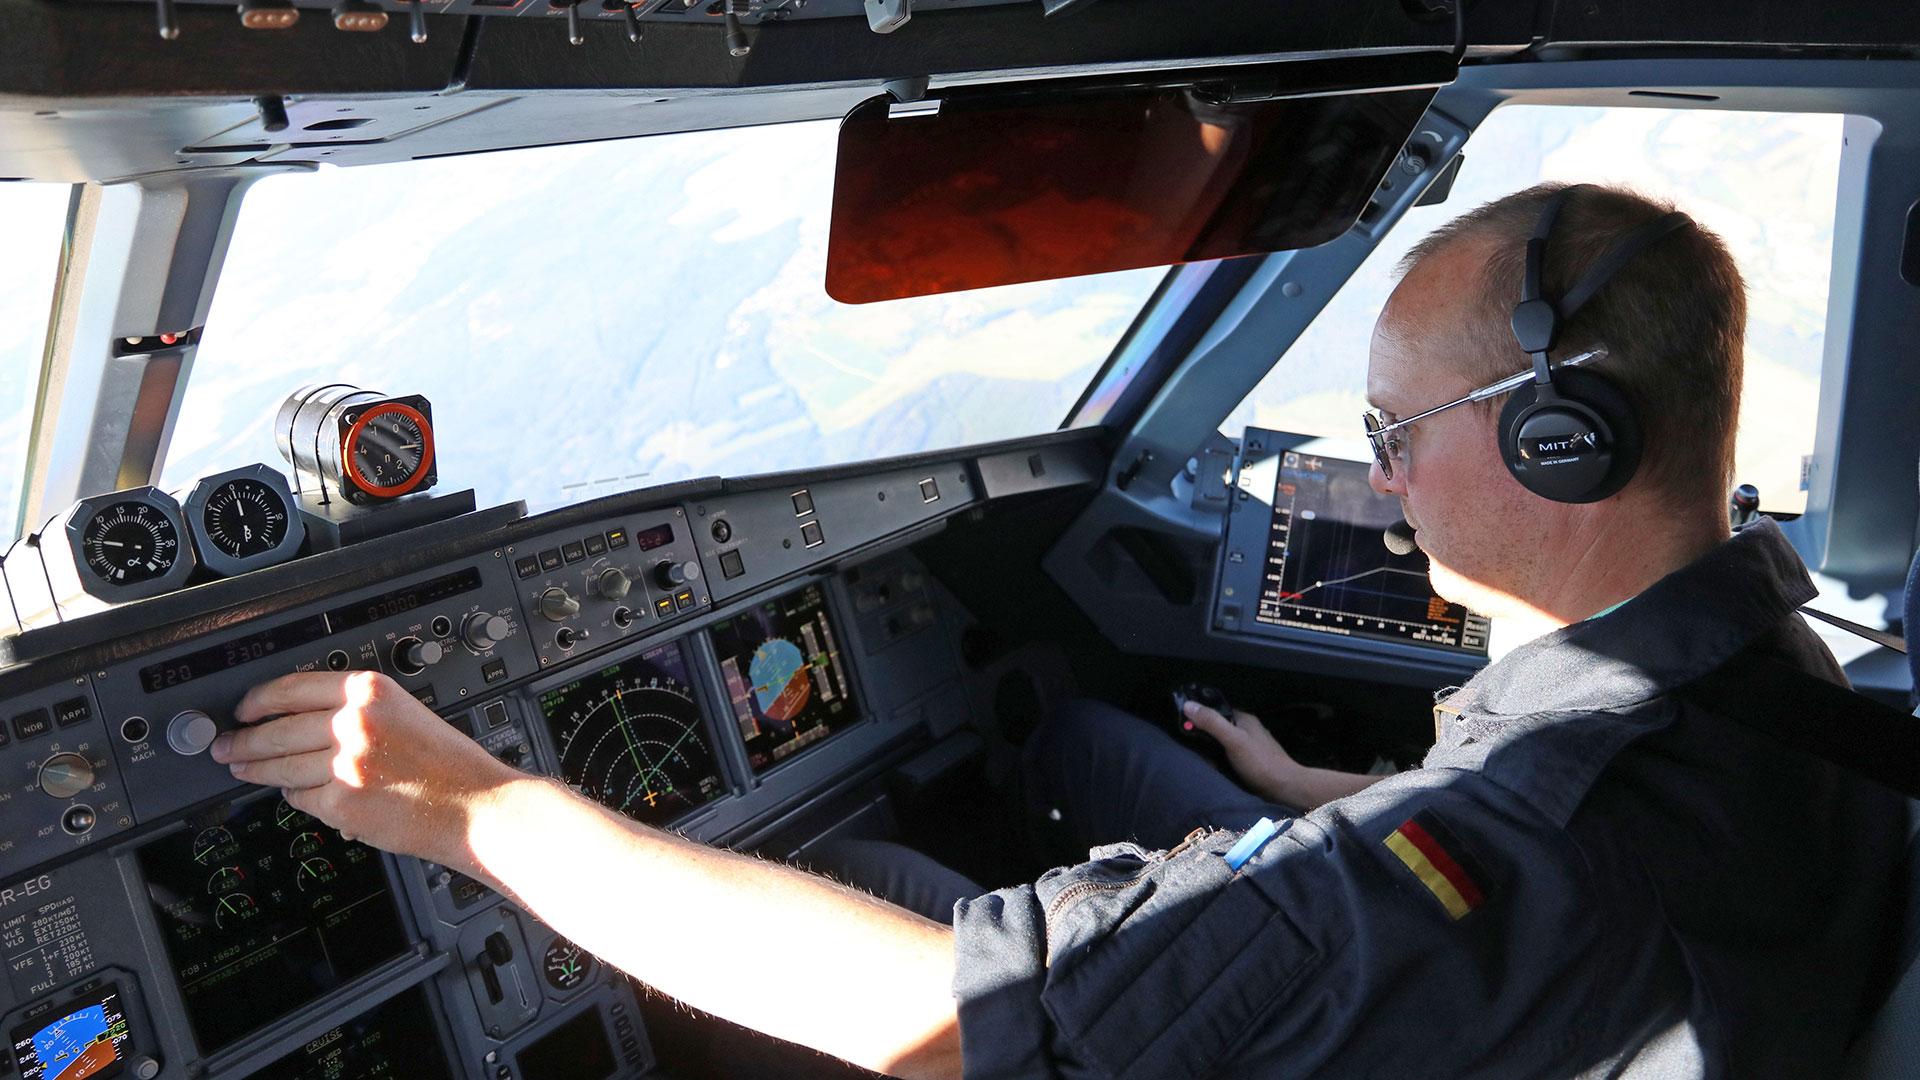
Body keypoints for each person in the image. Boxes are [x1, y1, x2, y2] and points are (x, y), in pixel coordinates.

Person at [214, 182, 1904, 1078]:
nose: (1381, 485)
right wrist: (1318, 790)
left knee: (877, 895)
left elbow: (953, 1021)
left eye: (1396, 434)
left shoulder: (1543, 848)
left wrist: (474, 811)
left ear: (1562, 443)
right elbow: (1519, 848)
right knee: (1099, 749)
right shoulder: (1778, 677)